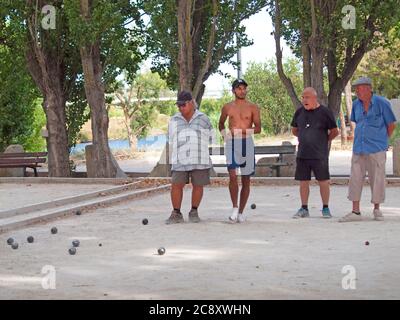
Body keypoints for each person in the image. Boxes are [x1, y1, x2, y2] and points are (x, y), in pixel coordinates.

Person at [339, 77, 397, 222]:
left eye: (361, 88)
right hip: (359, 148)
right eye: (356, 89)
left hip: (377, 148)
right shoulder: (356, 105)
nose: (358, 91)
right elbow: (356, 123)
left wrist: (383, 141)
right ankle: (355, 211)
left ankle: (377, 209)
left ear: (369, 89)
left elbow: (391, 125)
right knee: (355, 179)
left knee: (377, 179)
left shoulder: (382, 103)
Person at [166, 91, 213, 224]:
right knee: (176, 185)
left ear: (192, 103)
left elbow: (210, 137)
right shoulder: (174, 120)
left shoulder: (203, 118)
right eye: (179, 105)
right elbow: (170, 138)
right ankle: (176, 213)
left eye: (183, 105)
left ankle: (194, 211)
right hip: (180, 158)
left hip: (200, 158)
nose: (181, 108)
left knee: (198, 185)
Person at [291, 87, 339, 219]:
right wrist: (304, 137)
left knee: (323, 181)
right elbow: (294, 130)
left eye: (307, 97)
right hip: (303, 154)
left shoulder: (325, 112)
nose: (304, 100)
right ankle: (304, 208)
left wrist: (324, 140)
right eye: (303, 97)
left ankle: (325, 208)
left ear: (314, 98)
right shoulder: (299, 112)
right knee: (303, 182)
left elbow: (335, 131)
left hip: (319, 154)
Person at [218, 79, 261, 223]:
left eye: (244, 88)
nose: (242, 91)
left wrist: (242, 130)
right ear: (234, 91)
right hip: (232, 144)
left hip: (247, 143)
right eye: (239, 88)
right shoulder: (227, 107)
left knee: (246, 179)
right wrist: (225, 136)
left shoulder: (253, 107)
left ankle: (241, 211)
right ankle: (234, 207)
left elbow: (258, 129)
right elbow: (220, 124)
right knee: (232, 176)